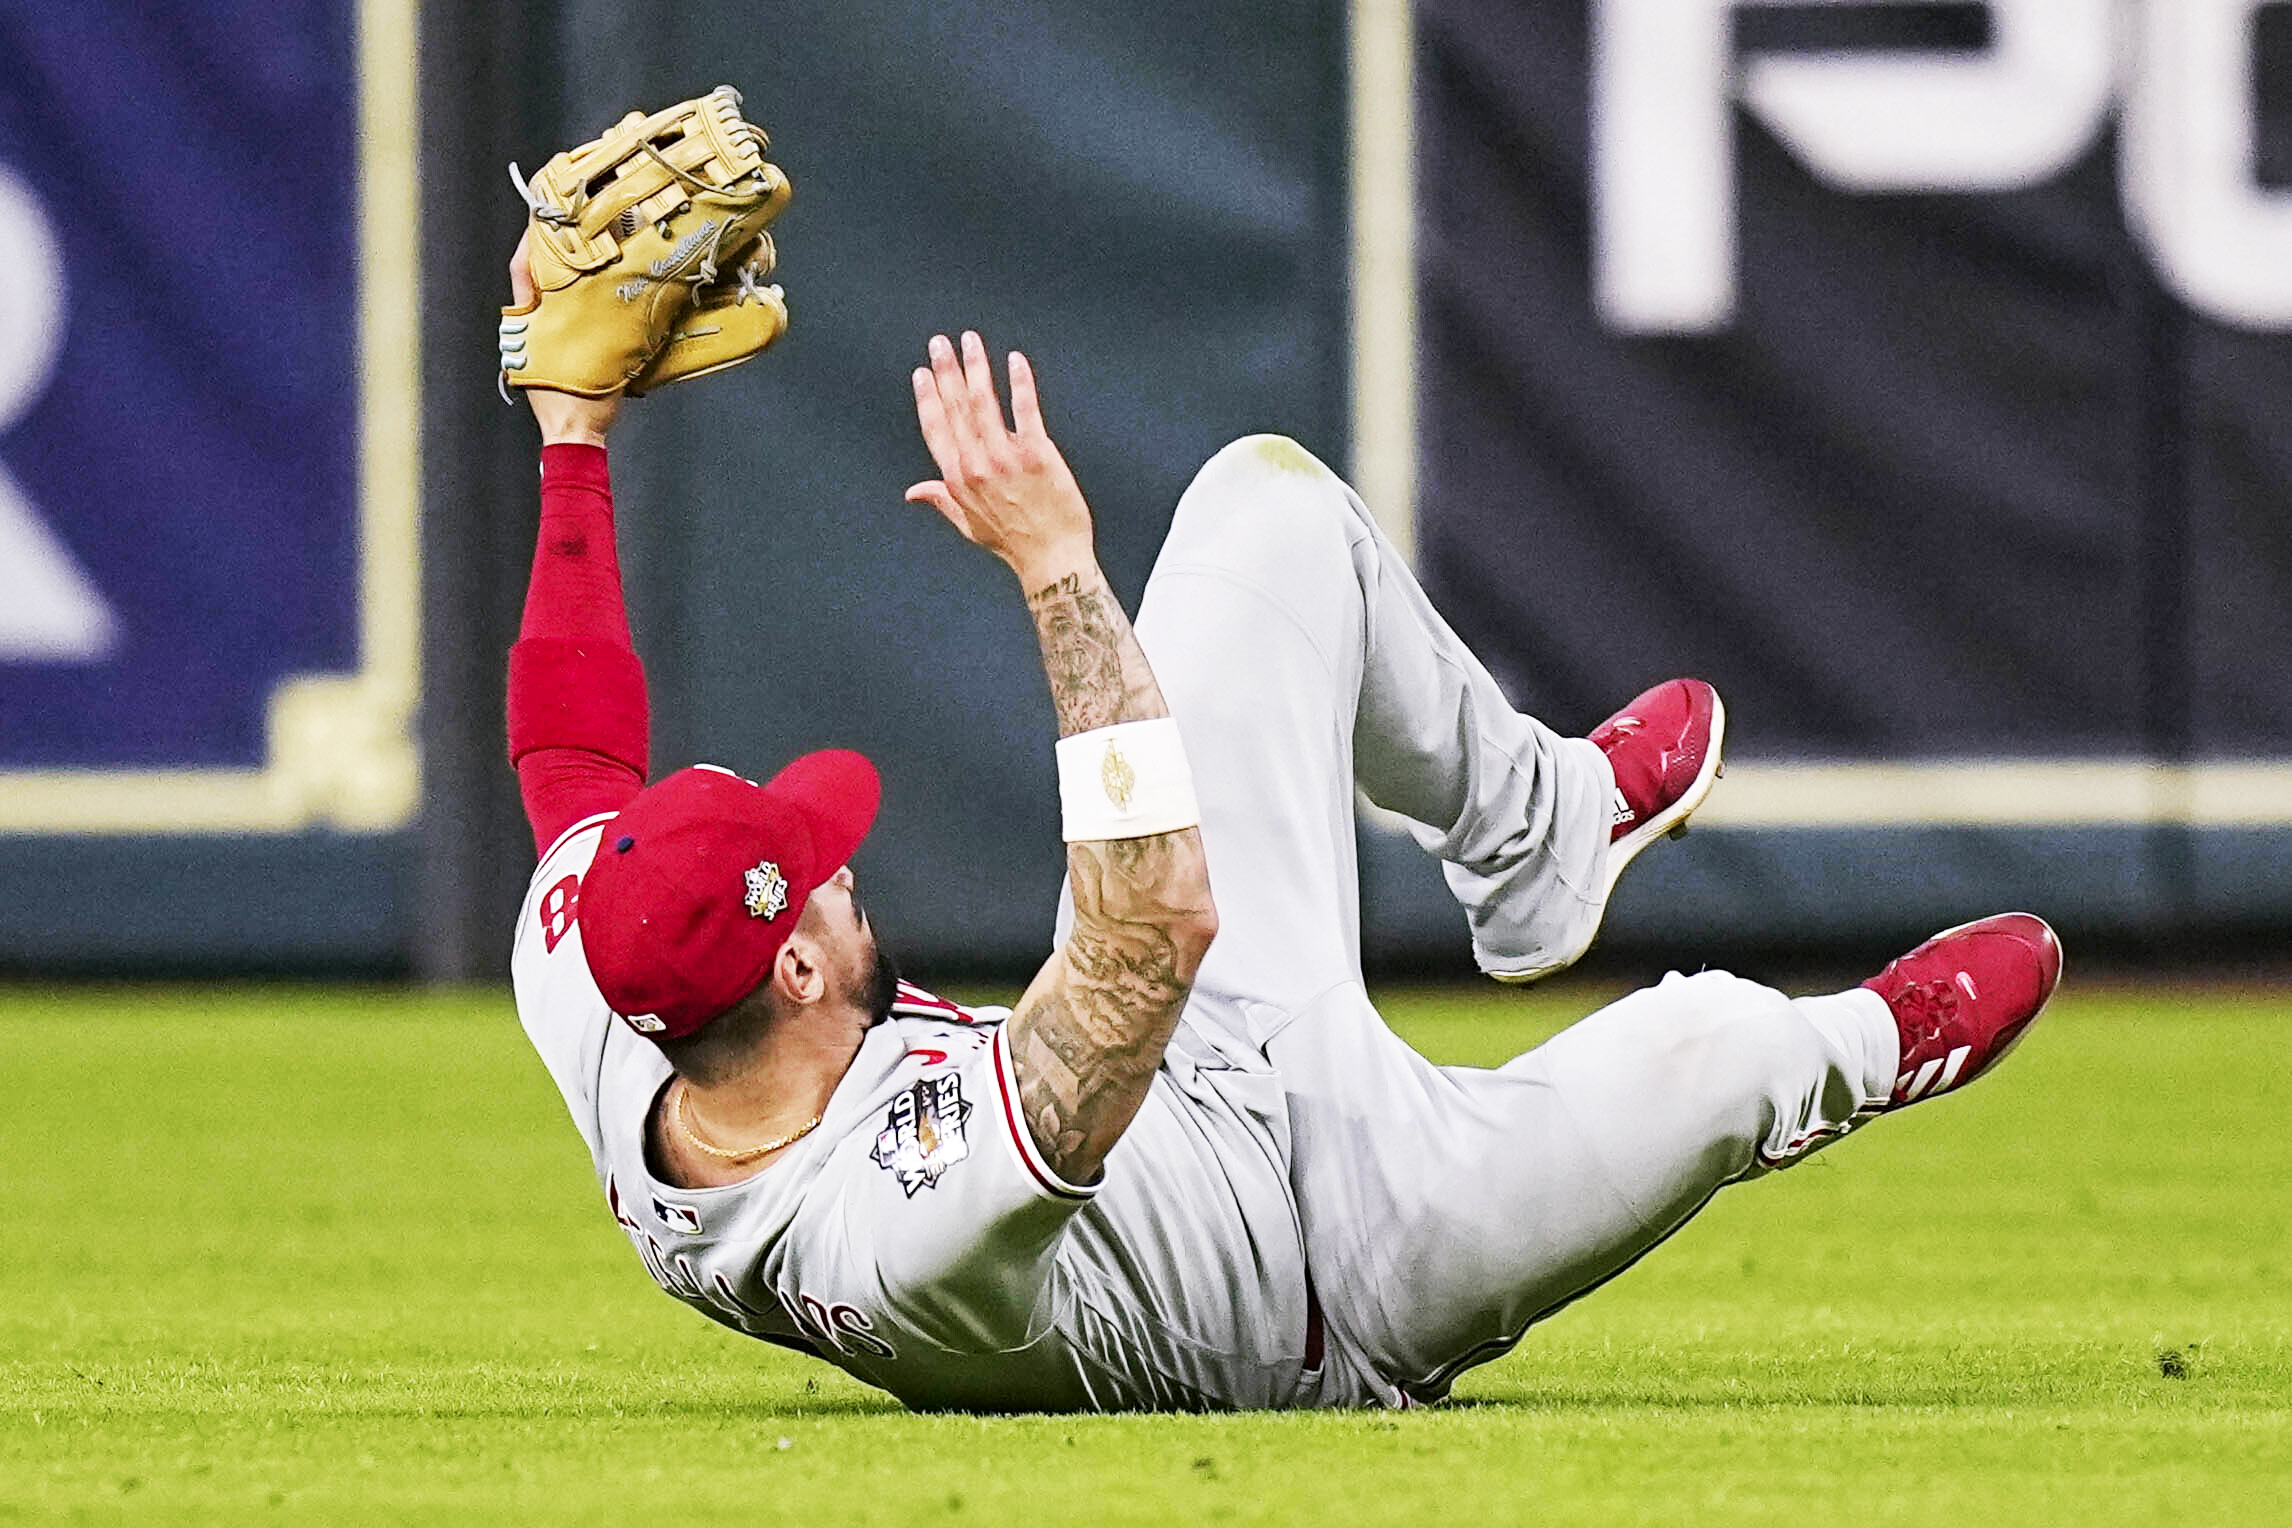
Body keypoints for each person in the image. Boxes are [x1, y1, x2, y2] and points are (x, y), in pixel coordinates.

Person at [502, 254, 2063, 1411]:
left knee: (1269, 508)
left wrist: (574, 432)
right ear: (785, 979)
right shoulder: (896, 1231)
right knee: (1718, 1047)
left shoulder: (612, 996)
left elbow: (572, 757)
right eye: (816, 881)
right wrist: (1056, 572)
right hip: (1341, 1266)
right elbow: (1150, 933)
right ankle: (1874, 1046)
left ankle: (1543, 837)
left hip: (1204, 1046)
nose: (841, 865)